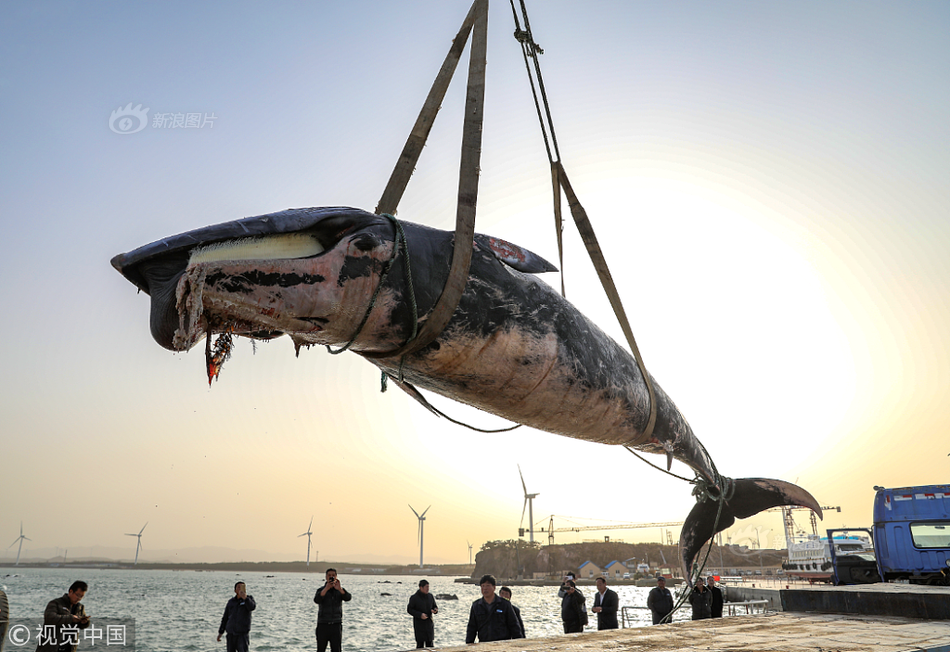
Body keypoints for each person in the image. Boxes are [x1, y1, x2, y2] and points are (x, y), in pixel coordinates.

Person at [465, 574, 523, 644]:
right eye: (483, 586)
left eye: (488, 586)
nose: (485, 588)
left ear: (494, 587)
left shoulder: (505, 604)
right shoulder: (476, 606)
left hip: (503, 645)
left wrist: (518, 644)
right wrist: (468, 645)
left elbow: (514, 626)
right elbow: (471, 629)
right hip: (484, 645)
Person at [35, 580, 90, 652]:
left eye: (81, 596)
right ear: (70, 591)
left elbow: (82, 625)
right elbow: (50, 618)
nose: (78, 598)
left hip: (69, 648)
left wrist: (84, 622)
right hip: (50, 647)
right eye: (77, 595)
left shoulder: (80, 607)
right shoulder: (56, 603)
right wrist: (71, 618)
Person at [313, 568, 352, 652]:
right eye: (329, 575)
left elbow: (348, 598)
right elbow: (317, 600)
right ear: (326, 577)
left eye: (333, 575)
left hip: (336, 624)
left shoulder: (339, 591)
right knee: (320, 649)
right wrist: (326, 588)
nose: (331, 577)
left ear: (336, 577)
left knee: (336, 649)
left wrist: (340, 589)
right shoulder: (321, 590)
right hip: (323, 624)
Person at [217, 581, 256, 652]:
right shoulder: (231, 602)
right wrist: (221, 632)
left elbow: (252, 607)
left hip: (242, 634)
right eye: (238, 587)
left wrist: (245, 598)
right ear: (235, 590)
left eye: (242, 587)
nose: (240, 589)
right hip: (231, 633)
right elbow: (225, 617)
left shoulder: (249, 599)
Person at [406, 579, 439, 648]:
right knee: (420, 646)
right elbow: (409, 609)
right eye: (426, 587)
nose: (428, 589)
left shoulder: (430, 596)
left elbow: (434, 606)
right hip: (419, 625)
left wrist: (435, 610)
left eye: (428, 587)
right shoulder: (414, 598)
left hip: (429, 624)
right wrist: (420, 615)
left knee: (430, 646)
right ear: (421, 587)